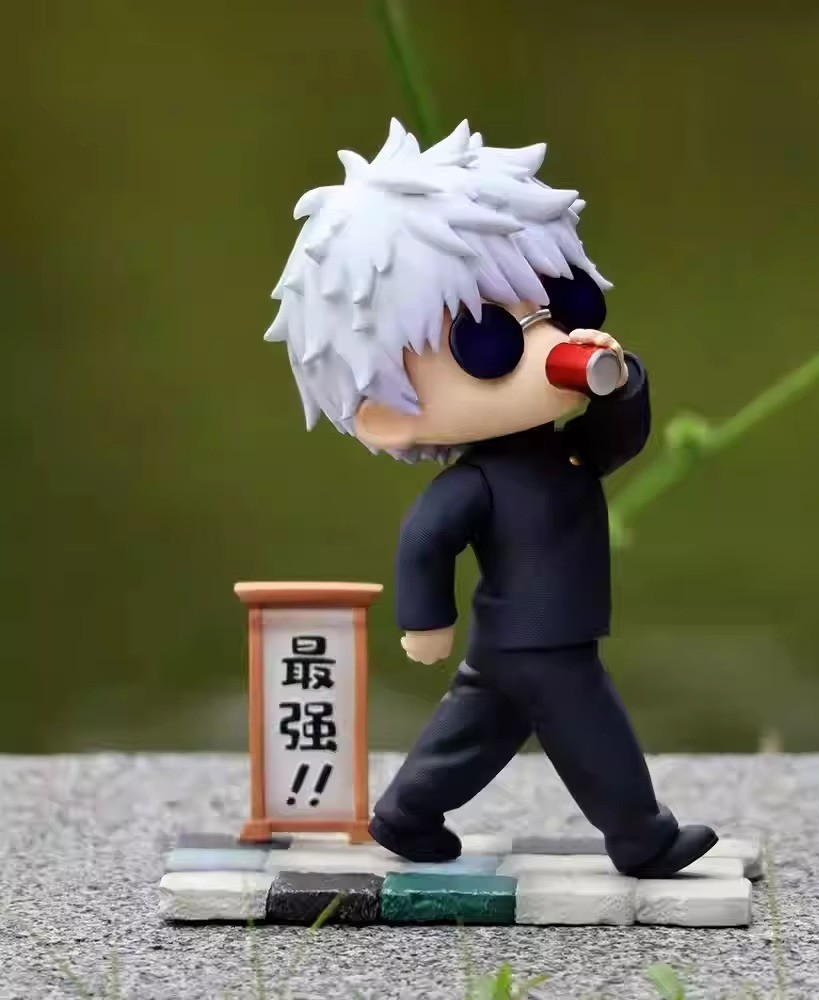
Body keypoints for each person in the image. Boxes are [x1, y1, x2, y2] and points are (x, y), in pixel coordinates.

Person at [263, 118, 717, 876]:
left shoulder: (561, 453)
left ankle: (406, 814)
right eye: (489, 340)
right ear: (390, 413)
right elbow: (426, 538)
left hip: (526, 639)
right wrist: (424, 621)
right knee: (588, 723)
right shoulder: (473, 483)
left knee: (479, 728)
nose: (550, 342)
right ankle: (642, 836)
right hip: (542, 642)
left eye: (564, 305)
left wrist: (624, 383)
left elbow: (614, 445)